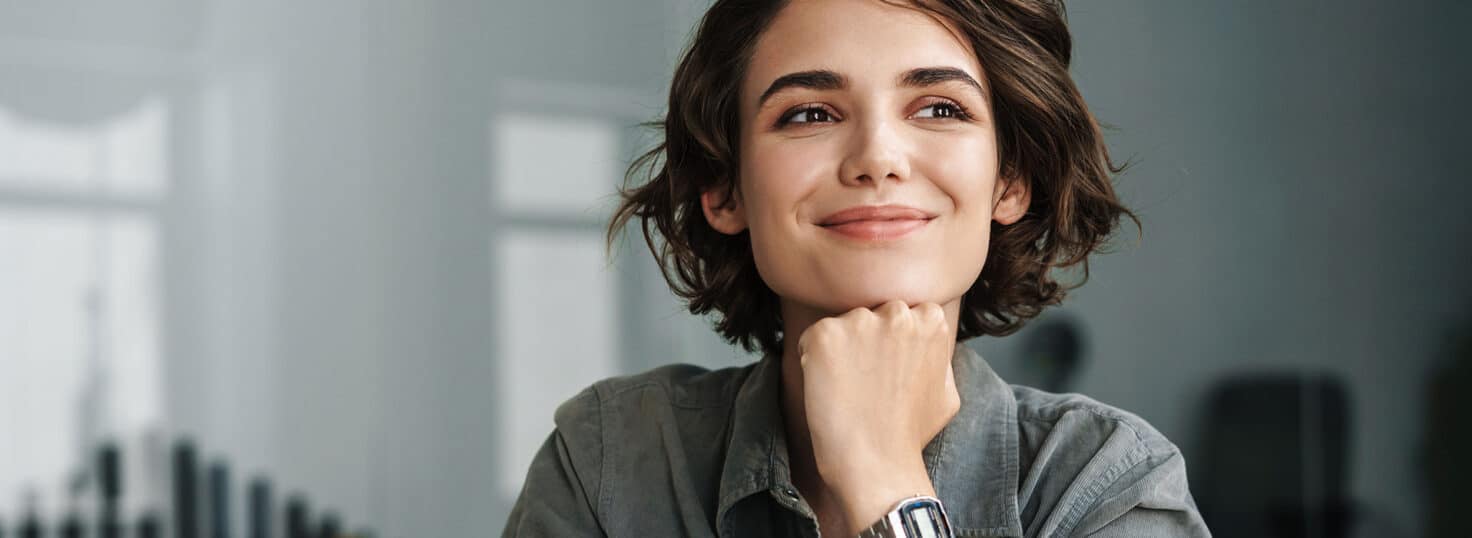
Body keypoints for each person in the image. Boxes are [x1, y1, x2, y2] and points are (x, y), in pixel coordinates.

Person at [503, 0, 1211, 536]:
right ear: (724, 188)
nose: (877, 156)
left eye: (939, 107)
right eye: (809, 114)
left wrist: (883, 480)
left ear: (1010, 181)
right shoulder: (610, 461)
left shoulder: (1109, 484)